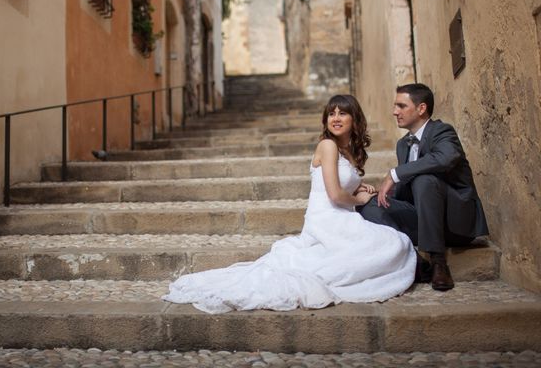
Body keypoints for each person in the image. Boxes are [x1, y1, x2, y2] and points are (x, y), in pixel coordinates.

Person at [163, 94, 416, 314]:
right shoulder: (327, 145)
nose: (335, 118)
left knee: (389, 244)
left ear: (355, 120)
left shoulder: (348, 151)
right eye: (331, 113)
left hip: (340, 217)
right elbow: (335, 195)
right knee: (393, 243)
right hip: (328, 218)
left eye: (343, 113)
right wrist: (358, 198)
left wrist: (360, 186)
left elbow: (341, 182)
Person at [359, 83, 489, 291]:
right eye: (395, 106)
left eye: (401, 106)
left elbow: (445, 158)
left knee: (424, 179)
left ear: (421, 109)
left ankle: (439, 262)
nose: (395, 112)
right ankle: (418, 262)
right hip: (423, 220)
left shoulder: (442, 131)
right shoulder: (403, 145)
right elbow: (406, 193)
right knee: (367, 206)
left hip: (454, 223)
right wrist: (380, 192)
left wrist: (395, 173)